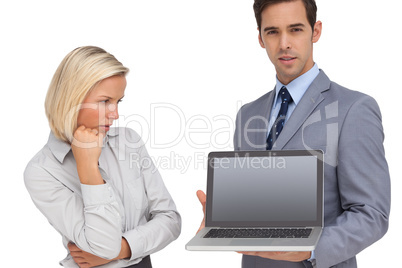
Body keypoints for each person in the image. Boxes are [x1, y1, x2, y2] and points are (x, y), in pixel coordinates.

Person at [196, 0, 391, 267]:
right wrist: (225, 216)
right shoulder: (247, 115)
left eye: (296, 29)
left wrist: (308, 249)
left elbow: (372, 214)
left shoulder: (353, 109)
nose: (284, 43)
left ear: (316, 31)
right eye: (273, 31)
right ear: (261, 38)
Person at [24, 46, 181, 268]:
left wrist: (124, 248)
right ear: (72, 99)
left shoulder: (128, 140)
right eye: (104, 101)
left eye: (119, 102)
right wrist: (87, 166)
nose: (115, 114)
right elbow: (104, 245)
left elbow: (170, 220)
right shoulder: (42, 171)